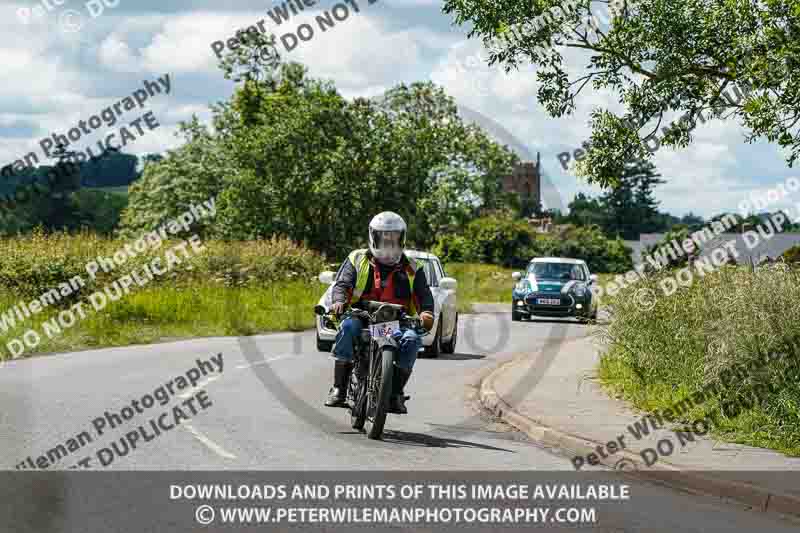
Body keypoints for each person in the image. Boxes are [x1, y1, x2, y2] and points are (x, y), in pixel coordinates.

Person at [324, 211, 435, 414]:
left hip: (394, 322)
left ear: (402, 239)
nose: (389, 244)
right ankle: (339, 388)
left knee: (411, 340)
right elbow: (342, 284)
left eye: (394, 239)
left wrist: (427, 313)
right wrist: (339, 302)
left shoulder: (412, 267)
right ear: (373, 237)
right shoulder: (357, 258)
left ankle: (394, 394)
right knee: (348, 328)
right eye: (384, 238)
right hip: (362, 317)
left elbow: (424, 295)